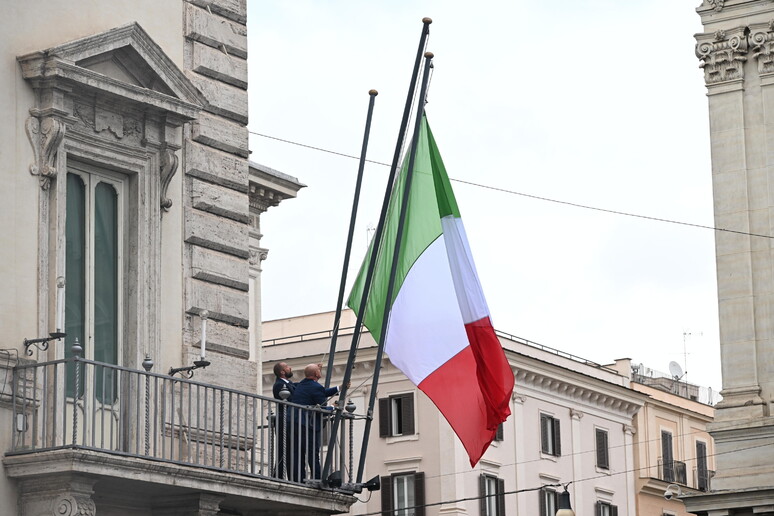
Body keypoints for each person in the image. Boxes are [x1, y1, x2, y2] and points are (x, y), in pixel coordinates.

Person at [291, 363, 346, 481]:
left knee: (299, 452)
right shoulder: (316, 387)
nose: (321, 372)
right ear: (316, 374)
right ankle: (317, 477)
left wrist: (339, 388)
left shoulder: (302, 384)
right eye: (319, 371)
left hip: (295, 422)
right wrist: (332, 407)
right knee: (312, 452)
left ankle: (299, 478)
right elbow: (323, 409)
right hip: (307, 424)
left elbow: (321, 392)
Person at [272, 361, 295, 480]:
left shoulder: (287, 383)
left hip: (288, 420)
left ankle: (282, 475)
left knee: (289, 449)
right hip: (284, 421)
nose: (290, 367)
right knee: (284, 449)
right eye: (287, 367)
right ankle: (278, 475)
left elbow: (299, 386)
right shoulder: (280, 385)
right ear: (282, 372)